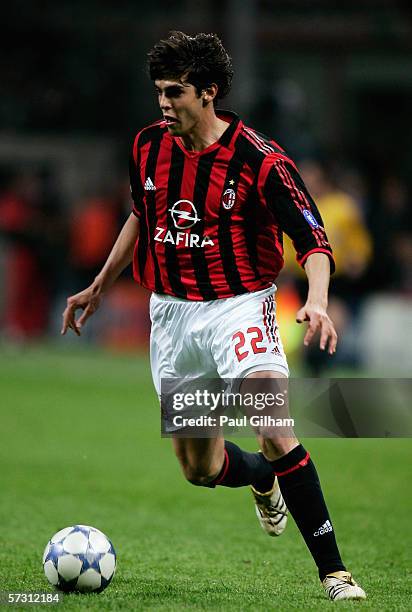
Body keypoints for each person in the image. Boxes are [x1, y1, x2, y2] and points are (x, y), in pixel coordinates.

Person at [62, 31, 366, 602]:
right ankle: (262, 480)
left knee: (275, 427)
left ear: (209, 92)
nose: (164, 103)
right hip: (173, 319)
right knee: (199, 469)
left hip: (240, 308)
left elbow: (314, 240)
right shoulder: (147, 146)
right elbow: (140, 214)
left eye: (175, 92)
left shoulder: (261, 160)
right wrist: (101, 283)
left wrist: (318, 300)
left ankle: (335, 572)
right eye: (159, 91)